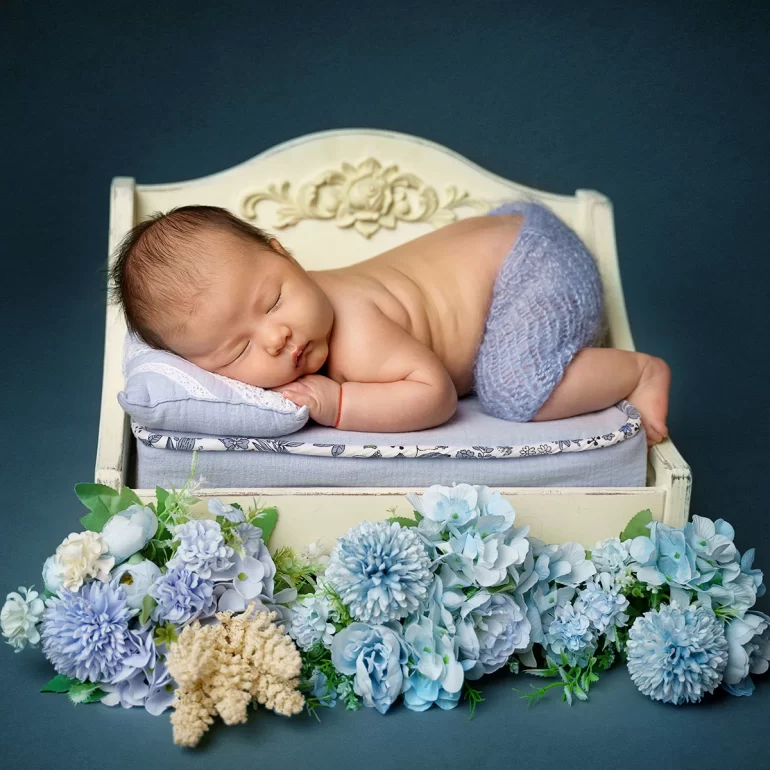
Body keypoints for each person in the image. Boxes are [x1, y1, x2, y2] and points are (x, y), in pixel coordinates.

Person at [110, 203, 670, 445]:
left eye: (275, 299)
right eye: (236, 353)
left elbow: (436, 397)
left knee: (512, 389)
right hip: (505, 235)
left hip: (532, 263)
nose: (276, 337)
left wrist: (338, 404)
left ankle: (639, 373)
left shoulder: (355, 330)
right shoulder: (293, 308)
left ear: (285, 254)